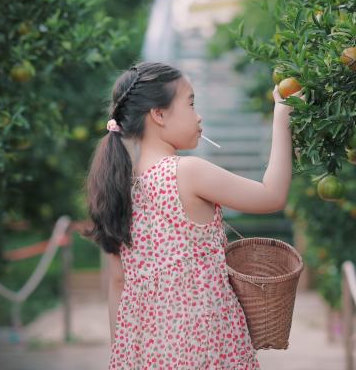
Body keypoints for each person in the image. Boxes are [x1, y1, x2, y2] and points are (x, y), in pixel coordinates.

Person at [83, 61, 295, 369]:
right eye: (191, 103)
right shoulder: (188, 172)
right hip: (206, 346)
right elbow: (272, 195)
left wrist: (124, 358)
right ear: (159, 114)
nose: (199, 116)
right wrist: (282, 113)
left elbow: (118, 282)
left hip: (146, 352)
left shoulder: (118, 190)